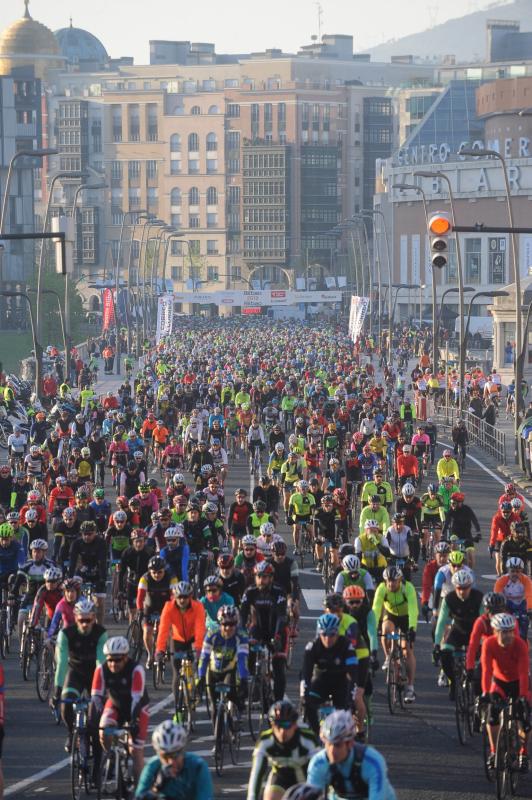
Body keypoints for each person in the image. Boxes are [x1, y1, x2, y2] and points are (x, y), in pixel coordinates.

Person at [91, 635, 149, 781]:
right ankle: (112, 756)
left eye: (117, 660)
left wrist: (133, 722)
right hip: (115, 704)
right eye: (110, 659)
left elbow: (136, 700)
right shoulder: (101, 669)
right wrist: (96, 719)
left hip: (137, 707)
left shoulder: (136, 670)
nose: (113, 664)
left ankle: (138, 790)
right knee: (103, 731)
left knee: (136, 751)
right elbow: (96, 697)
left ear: (125, 658)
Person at [53, 597, 107, 752]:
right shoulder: (66, 634)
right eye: (81, 620)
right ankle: (71, 734)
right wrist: (57, 689)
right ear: (75, 618)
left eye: (88, 620)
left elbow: (101, 663)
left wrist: (102, 689)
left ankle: (93, 737)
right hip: (75, 672)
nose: (85, 624)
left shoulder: (100, 633)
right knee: (65, 704)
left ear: (94, 618)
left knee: (95, 715)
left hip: (93, 674)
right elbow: (62, 663)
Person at [306, 709, 396, 800]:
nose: (332, 751)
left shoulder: (373, 762)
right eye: (329, 744)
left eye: (338, 745)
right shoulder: (318, 763)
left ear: (350, 743)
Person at [481, 612, 531, 773]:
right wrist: (485, 693)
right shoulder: (489, 644)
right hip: (499, 682)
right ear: (495, 632)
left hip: (518, 682)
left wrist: (523, 697)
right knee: (492, 716)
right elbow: (487, 671)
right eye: (503, 631)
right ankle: (494, 750)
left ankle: (524, 753)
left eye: (510, 631)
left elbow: (524, 673)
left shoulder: (520, 645)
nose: (507, 635)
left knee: (525, 718)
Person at [247, 700, 319, 800]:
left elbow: (319, 771)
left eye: (286, 725)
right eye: (278, 725)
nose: (282, 731)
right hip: (280, 778)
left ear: (295, 725)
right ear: (272, 725)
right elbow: (256, 774)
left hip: (305, 779)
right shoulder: (265, 740)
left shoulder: (308, 739)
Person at [301, 613, 358, 736]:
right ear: (319, 633)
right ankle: (316, 734)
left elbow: (352, 672)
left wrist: (351, 696)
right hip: (320, 681)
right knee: (307, 702)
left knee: (347, 708)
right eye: (324, 634)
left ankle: (346, 737)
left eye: (332, 634)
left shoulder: (346, 645)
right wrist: (304, 691)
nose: (328, 638)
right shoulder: (312, 646)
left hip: (340, 682)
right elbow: (306, 673)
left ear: (337, 633)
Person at [433, 568, 483, 700]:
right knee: (445, 655)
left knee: (482, 663)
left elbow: (485, 622)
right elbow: (441, 622)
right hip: (458, 631)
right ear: (454, 587)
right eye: (459, 588)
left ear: (470, 586)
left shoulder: (478, 597)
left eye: (465, 588)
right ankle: (453, 683)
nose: (462, 591)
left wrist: (483, 642)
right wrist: (437, 644)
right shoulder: (449, 599)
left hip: (475, 633)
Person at [134, 720, 213, 800]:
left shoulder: (198, 767)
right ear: (158, 753)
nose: (171, 761)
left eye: (175, 755)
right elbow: (139, 797)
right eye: (165, 756)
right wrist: (156, 787)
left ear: (183, 750)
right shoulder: (152, 766)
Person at [372, 565, 418, 704]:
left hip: (405, 617)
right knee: (386, 629)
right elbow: (376, 609)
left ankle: (410, 687)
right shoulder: (382, 588)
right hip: (390, 614)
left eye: (394, 581)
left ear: (400, 580)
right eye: (388, 581)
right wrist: (373, 628)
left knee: (407, 651)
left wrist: (412, 629)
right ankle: (388, 657)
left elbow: (413, 610)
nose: (391, 584)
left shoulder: (408, 588)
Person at [197, 605, 248, 725]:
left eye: (232, 625)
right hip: (213, 671)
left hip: (229, 671)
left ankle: (236, 711)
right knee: (214, 706)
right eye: (225, 624)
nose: (228, 628)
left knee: (231, 694)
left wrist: (244, 679)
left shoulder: (241, 636)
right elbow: (204, 658)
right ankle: (218, 739)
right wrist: (201, 677)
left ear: (236, 624)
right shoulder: (211, 635)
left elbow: (242, 660)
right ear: (220, 624)